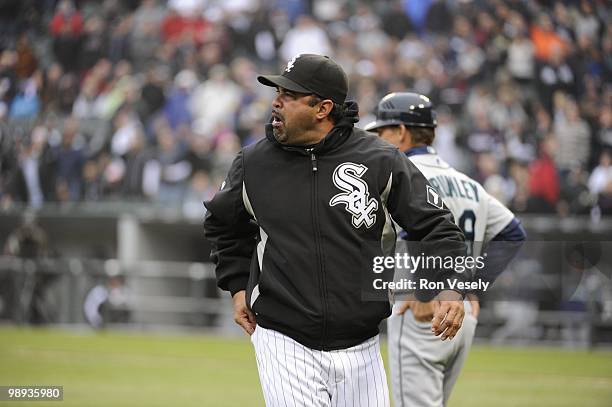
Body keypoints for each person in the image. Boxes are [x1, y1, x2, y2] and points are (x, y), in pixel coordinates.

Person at [203, 55, 467, 406]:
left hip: (363, 344)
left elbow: (438, 227)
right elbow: (224, 227)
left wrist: (450, 286)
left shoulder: (380, 159)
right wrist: (237, 287)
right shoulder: (253, 164)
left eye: (289, 94)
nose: (276, 102)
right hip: (283, 338)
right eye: (277, 91)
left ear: (323, 108)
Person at [365, 92, 527, 407]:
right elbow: (512, 233)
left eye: (381, 132)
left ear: (401, 132)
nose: (377, 140)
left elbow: (420, 230)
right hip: (460, 314)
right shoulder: (465, 181)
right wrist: (466, 286)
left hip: (421, 311)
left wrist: (427, 291)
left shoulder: (398, 178)